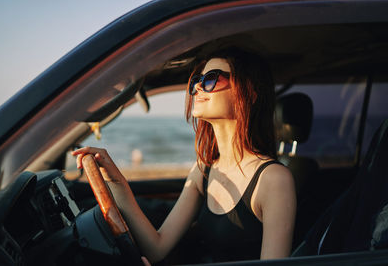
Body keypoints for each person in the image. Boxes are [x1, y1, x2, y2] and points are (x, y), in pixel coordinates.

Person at [72, 47, 296, 263]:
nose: (198, 87)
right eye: (198, 81)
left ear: (250, 92)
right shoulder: (204, 169)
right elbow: (157, 247)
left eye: (211, 79)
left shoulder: (273, 179)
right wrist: (116, 181)